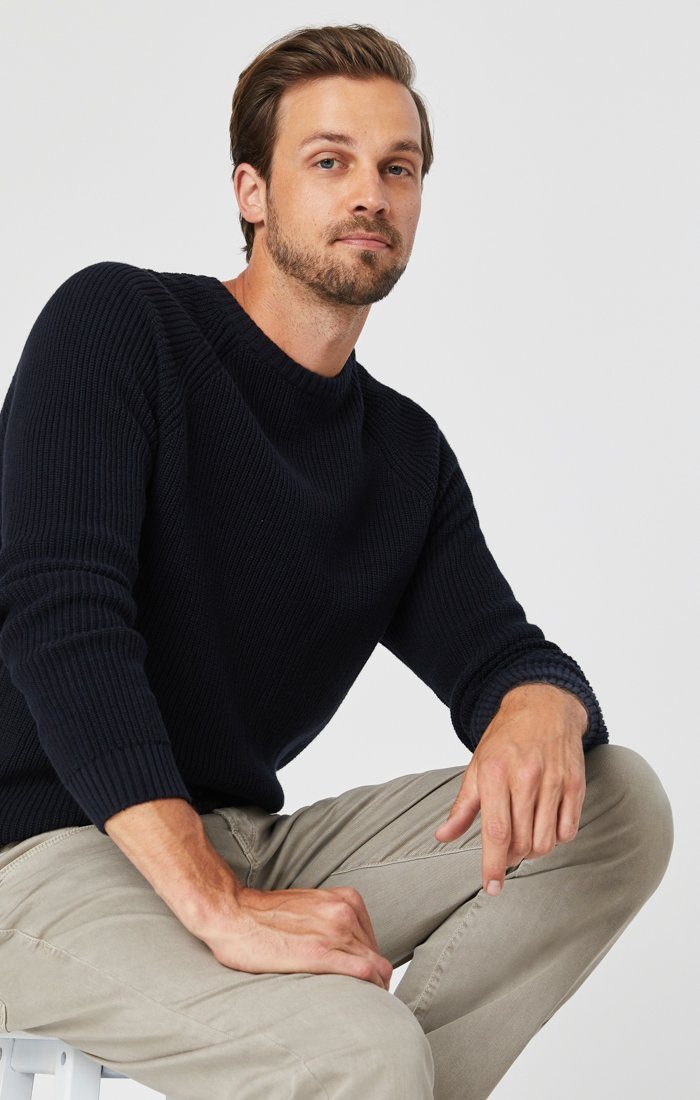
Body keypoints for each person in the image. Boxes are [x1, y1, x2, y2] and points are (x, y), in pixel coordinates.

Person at [0, 22, 673, 1100]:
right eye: (329, 160)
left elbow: (500, 651)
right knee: (359, 1050)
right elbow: (59, 620)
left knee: (614, 801)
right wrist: (214, 902)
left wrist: (539, 699)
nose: (370, 193)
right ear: (252, 192)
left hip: (246, 839)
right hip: (39, 859)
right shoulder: (120, 324)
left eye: (397, 168)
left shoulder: (401, 454)